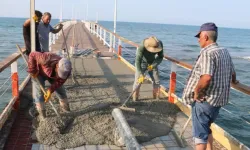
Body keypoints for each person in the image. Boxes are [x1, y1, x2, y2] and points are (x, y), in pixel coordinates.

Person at [182, 22, 239, 150]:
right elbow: (233, 73)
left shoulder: (207, 53)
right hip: (217, 102)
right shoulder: (224, 51)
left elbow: (206, 77)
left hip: (204, 101)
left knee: (199, 136)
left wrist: (196, 92)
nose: (198, 41)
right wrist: (235, 81)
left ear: (206, 37)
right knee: (206, 128)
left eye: (199, 37)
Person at [27, 52, 72, 119]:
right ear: (57, 66)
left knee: (61, 91)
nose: (62, 74)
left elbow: (60, 81)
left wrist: (50, 90)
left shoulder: (67, 70)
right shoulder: (45, 58)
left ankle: (66, 110)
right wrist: (33, 70)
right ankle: (43, 116)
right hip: (39, 73)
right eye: (60, 72)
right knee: (38, 94)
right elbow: (32, 55)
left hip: (52, 75)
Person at [133, 36, 164, 101]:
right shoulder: (142, 45)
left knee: (156, 81)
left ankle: (156, 98)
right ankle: (135, 98)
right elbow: (137, 60)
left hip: (152, 62)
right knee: (138, 81)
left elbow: (160, 57)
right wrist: (141, 73)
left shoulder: (160, 44)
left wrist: (153, 65)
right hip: (142, 63)